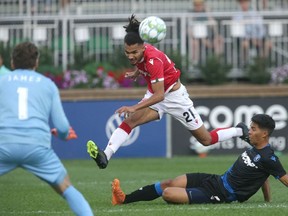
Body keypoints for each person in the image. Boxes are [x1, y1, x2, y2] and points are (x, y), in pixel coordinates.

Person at [86, 14, 249, 169]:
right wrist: (137, 72)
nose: (130, 56)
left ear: (143, 47)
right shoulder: (141, 53)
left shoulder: (153, 61)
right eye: (127, 52)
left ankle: (239, 130)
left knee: (206, 140)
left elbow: (160, 95)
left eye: (134, 52)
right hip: (156, 95)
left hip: (175, 97)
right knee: (130, 121)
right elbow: (146, 73)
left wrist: (134, 107)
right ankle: (105, 156)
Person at [0, 42, 94, 216]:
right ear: (36, 63)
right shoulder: (47, 84)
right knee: (65, 186)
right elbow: (62, 126)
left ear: (12, 62)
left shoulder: (2, 80)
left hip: (3, 144)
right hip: (36, 146)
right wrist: (63, 135)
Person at [111, 114, 288, 205]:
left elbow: (279, 176)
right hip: (216, 180)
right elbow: (263, 176)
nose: (249, 131)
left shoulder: (269, 157)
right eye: (250, 128)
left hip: (222, 194)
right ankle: (125, 199)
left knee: (168, 193)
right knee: (171, 182)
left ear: (264, 133)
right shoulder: (256, 148)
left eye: (254, 129)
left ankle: (190, 196)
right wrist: (267, 201)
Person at [189, 0, 224, 65]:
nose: (198, 7)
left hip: (208, 37)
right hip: (196, 38)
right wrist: (202, 40)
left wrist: (208, 13)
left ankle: (217, 63)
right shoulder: (191, 14)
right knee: (194, 43)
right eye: (196, 5)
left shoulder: (207, 14)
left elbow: (214, 28)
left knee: (219, 39)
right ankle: (194, 64)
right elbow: (189, 30)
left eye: (200, 4)